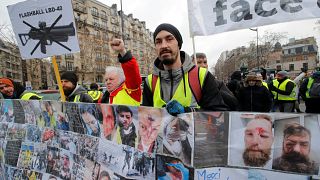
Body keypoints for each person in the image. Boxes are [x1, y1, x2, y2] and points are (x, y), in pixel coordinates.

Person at [142, 23, 228, 115]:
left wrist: (187, 112)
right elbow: (145, 120)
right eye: (158, 42)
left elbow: (219, 115)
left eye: (169, 39)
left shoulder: (202, 76)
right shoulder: (150, 82)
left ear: (179, 44)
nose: (163, 45)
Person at [101, 38, 142, 105]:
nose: (108, 82)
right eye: (106, 80)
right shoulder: (105, 96)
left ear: (121, 79)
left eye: (111, 79)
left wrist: (122, 51)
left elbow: (131, 70)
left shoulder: (130, 89)